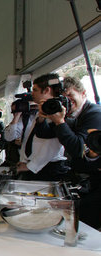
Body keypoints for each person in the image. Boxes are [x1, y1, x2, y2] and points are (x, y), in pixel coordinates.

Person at [34, 76, 101, 228]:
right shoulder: (70, 116)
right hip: (80, 183)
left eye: (71, 96)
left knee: (84, 227)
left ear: (83, 93)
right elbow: (44, 134)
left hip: (95, 185)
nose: (68, 101)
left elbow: (79, 149)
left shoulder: (94, 113)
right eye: (64, 98)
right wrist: (43, 117)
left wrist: (59, 122)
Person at [6, 73, 68, 181]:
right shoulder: (42, 111)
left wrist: (30, 166)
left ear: (46, 90)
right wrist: (25, 161)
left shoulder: (55, 111)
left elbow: (51, 145)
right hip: (34, 167)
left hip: (48, 169)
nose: (32, 93)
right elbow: (33, 140)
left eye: (35, 90)